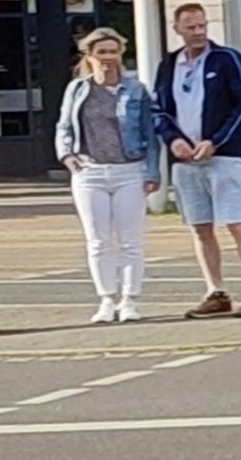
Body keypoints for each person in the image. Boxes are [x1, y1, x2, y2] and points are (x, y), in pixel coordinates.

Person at [152, 3, 241, 319]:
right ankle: (215, 290)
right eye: (190, 27)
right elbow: (160, 110)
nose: (198, 32)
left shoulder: (227, 59)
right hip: (185, 160)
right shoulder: (168, 65)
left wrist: (215, 140)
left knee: (235, 222)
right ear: (177, 28)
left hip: (223, 156)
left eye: (202, 25)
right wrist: (173, 139)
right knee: (200, 226)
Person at [53, 28, 161, 324]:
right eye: (102, 52)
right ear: (89, 56)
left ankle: (130, 300)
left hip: (129, 170)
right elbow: (64, 126)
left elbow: (150, 135)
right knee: (98, 240)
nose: (108, 58)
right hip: (89, 171)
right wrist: (66, 155)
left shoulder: (135, 90)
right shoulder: (77, 89)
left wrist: (152, 171)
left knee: (130, 240)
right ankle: (106, 300)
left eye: (114, 51)